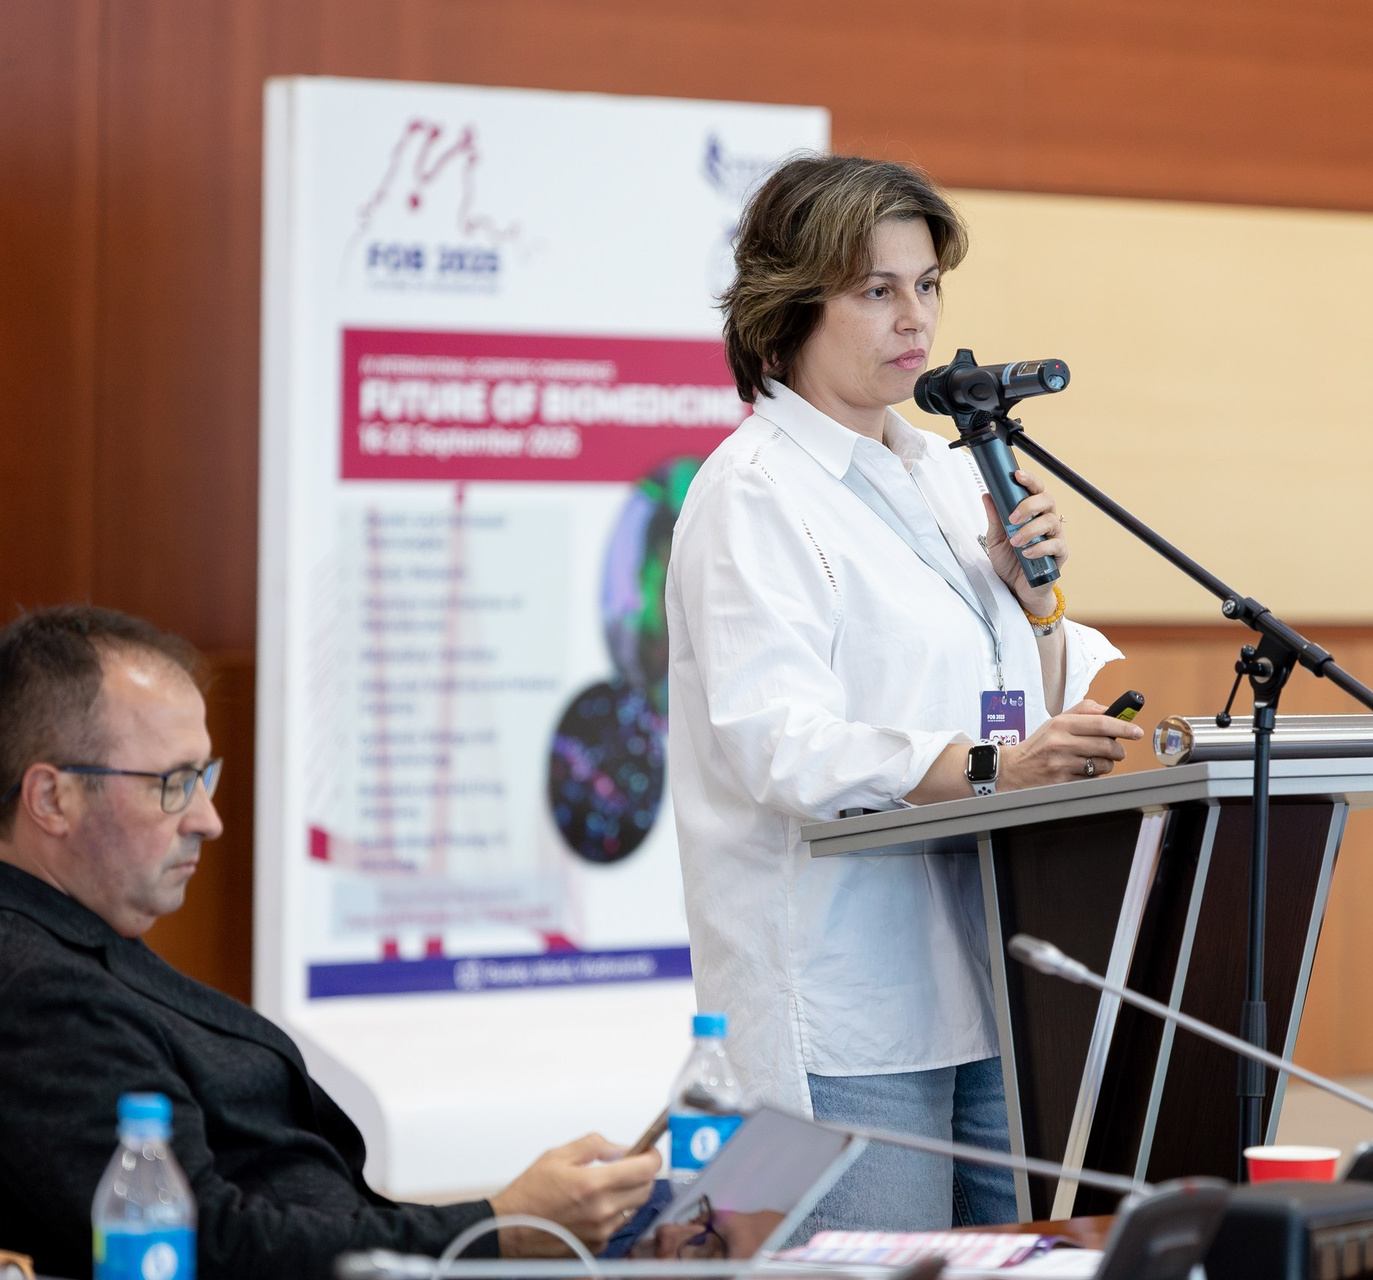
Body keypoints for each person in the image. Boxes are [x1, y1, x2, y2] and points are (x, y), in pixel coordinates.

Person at [665, 154, 1142, 1231]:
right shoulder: (751, 495)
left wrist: (1036, 609)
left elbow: (1011, 700)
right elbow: (782, 746)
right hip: (841, 1001)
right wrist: (996, 766)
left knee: (1012, 1257)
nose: (914, 317)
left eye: (926, 285)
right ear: (792, 304)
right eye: (877, 290)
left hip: (985, 978)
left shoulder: (946, 471)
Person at [0, 606, 662, 1279]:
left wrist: (563, 1232)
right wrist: (502, 1231)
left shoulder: (77, 940)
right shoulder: (37, 992)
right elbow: (205, 1243)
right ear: (52, 799)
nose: (209, 819)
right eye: (173, 784)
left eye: (205, 777)